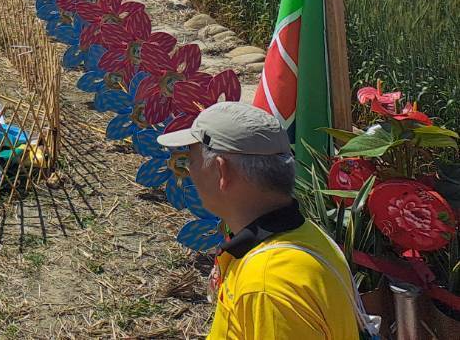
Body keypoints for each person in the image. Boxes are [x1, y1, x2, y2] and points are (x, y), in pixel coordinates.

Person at [157, 102, 369, 340]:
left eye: (191, 162)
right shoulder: (306, 237)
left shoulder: (267, 285)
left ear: (221, 172)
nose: (190, 173)